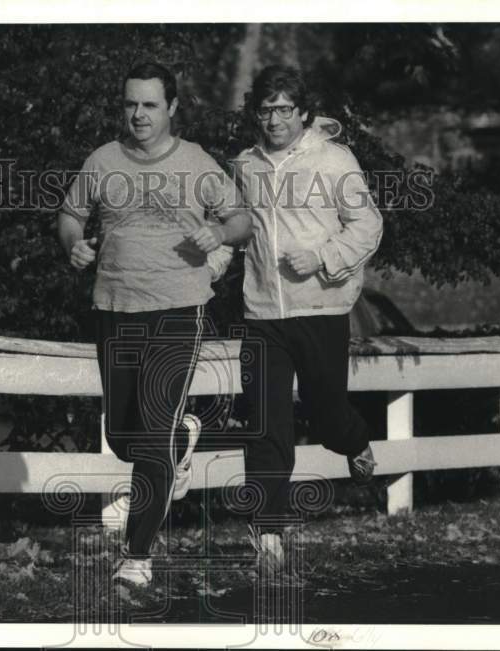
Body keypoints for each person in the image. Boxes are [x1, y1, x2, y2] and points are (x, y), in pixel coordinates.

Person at [57, 62, 251, 588]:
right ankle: (186, 438)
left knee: (153, 434)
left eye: (150, 105)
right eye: (130, 104)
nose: (139, 114)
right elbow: (71, 213)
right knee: (123, 437)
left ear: (172, 108)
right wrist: (73, 242)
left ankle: (136, 558)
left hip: (177, 309)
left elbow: (241, 219)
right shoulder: (102, 161)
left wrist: (219, 232)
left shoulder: (197, 163)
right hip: (114, 308)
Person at [231, 65, 383, 571]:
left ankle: (354, 440)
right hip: (262, 314)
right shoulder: (246, 166)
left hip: (320, 309)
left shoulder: (334, 160)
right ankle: (268, 534)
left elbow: (367, 225)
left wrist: (321, 257)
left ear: (302, 113)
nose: (273, 119)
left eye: (283, 109)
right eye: (265, 109)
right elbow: (236, 235)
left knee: (326, 417)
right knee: (266, 425)